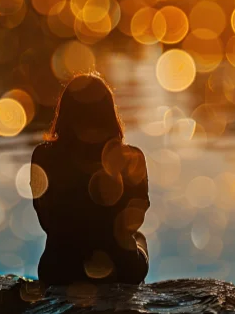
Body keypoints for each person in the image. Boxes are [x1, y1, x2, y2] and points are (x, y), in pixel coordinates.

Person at [30, 73, 150, 286]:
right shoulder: (132, 157)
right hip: (121, 269)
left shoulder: (43, 156)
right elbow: (135, 220)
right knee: (139, 238)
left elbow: (45, 219)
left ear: (64, 113)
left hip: (59, 269)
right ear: (109, 114)